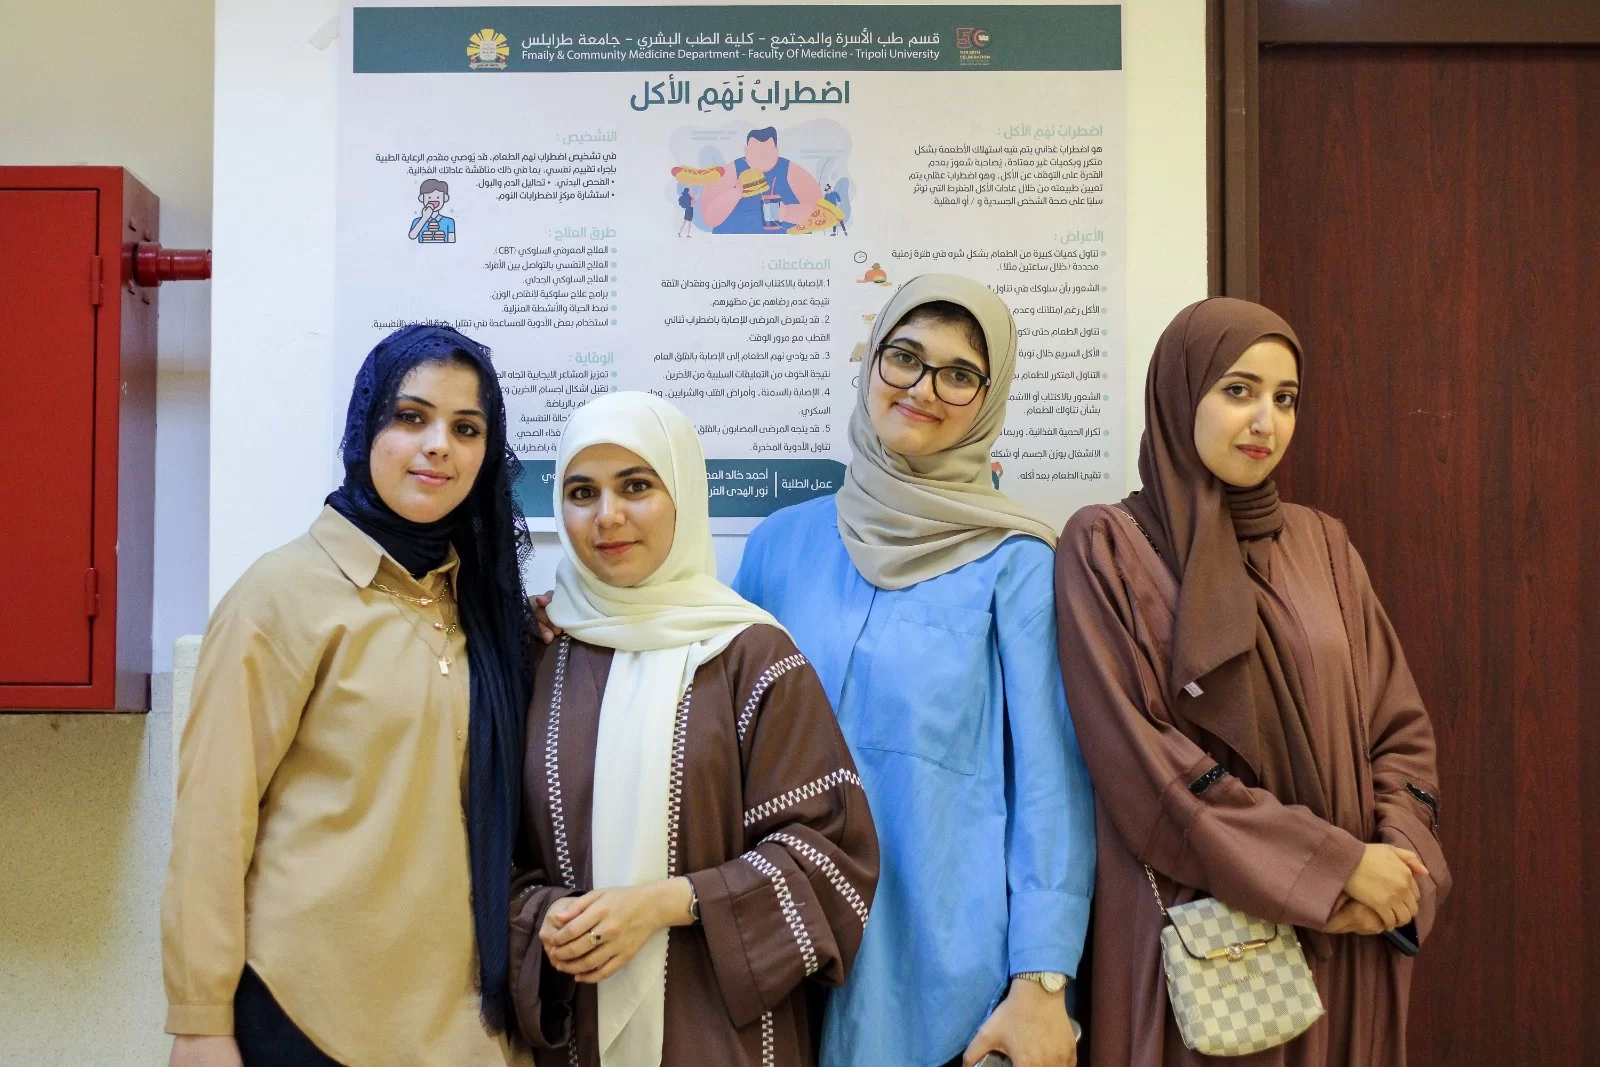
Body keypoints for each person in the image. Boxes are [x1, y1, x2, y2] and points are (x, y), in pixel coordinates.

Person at [1054, 298, 1451, 1066]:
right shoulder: (1106, 547)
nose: (1266, 420)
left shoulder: (1323, 544)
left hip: (1351, 938)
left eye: (1285, 397)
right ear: (1180, 394)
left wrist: (1394, 865)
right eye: (1238, 390)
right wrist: (1328, 870)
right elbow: (1144, 765)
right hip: (1210, 947)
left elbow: (1398, 729)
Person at [734, 275, 1095, 1067]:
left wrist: (1042, 981)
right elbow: (711, 727)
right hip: (780, 956)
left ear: (989, 399)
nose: (923, 388)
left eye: (958, 373)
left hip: (942, 978)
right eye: (904, 357)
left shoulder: (1018, 563)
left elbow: (1052, 786)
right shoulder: (778, 545)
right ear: (871, 362)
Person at [162, 324, 533, 1067]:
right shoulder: (281, 595)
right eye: (411, 417)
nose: (439, 446)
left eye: (466, 428)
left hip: (462, 1026)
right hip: (307, 1012)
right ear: (366, 428)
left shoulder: (485, 605)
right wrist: (200, 1023)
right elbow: (212, 823)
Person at [510, 391, 878, 1066]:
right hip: (575, 1028)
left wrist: (667, 903)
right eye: (582, 492)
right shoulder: (533, 655)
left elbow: (832, 853)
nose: (608, 515)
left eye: (637, 486)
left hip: (723, 1037)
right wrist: (543, 917)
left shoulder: (751, 656)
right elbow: (485, 851)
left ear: (682, 495)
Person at [699, 127, 824, 234]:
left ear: (777, 150)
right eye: (755, 152)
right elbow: (709, 219)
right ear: (746, 151)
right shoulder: (731, 171)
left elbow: (822, 212)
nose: (761, 158)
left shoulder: (791, 171)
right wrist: (734, 193)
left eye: (766, 152)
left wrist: (788, 213)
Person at [410, 179, 457, 243]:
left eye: (438, 197)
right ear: (422, 198)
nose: (434, 200)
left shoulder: (449, 222)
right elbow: (412, 236)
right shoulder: (417, 221)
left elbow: (452, 242)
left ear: (445, 198)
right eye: (429, 197)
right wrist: (424, 218)